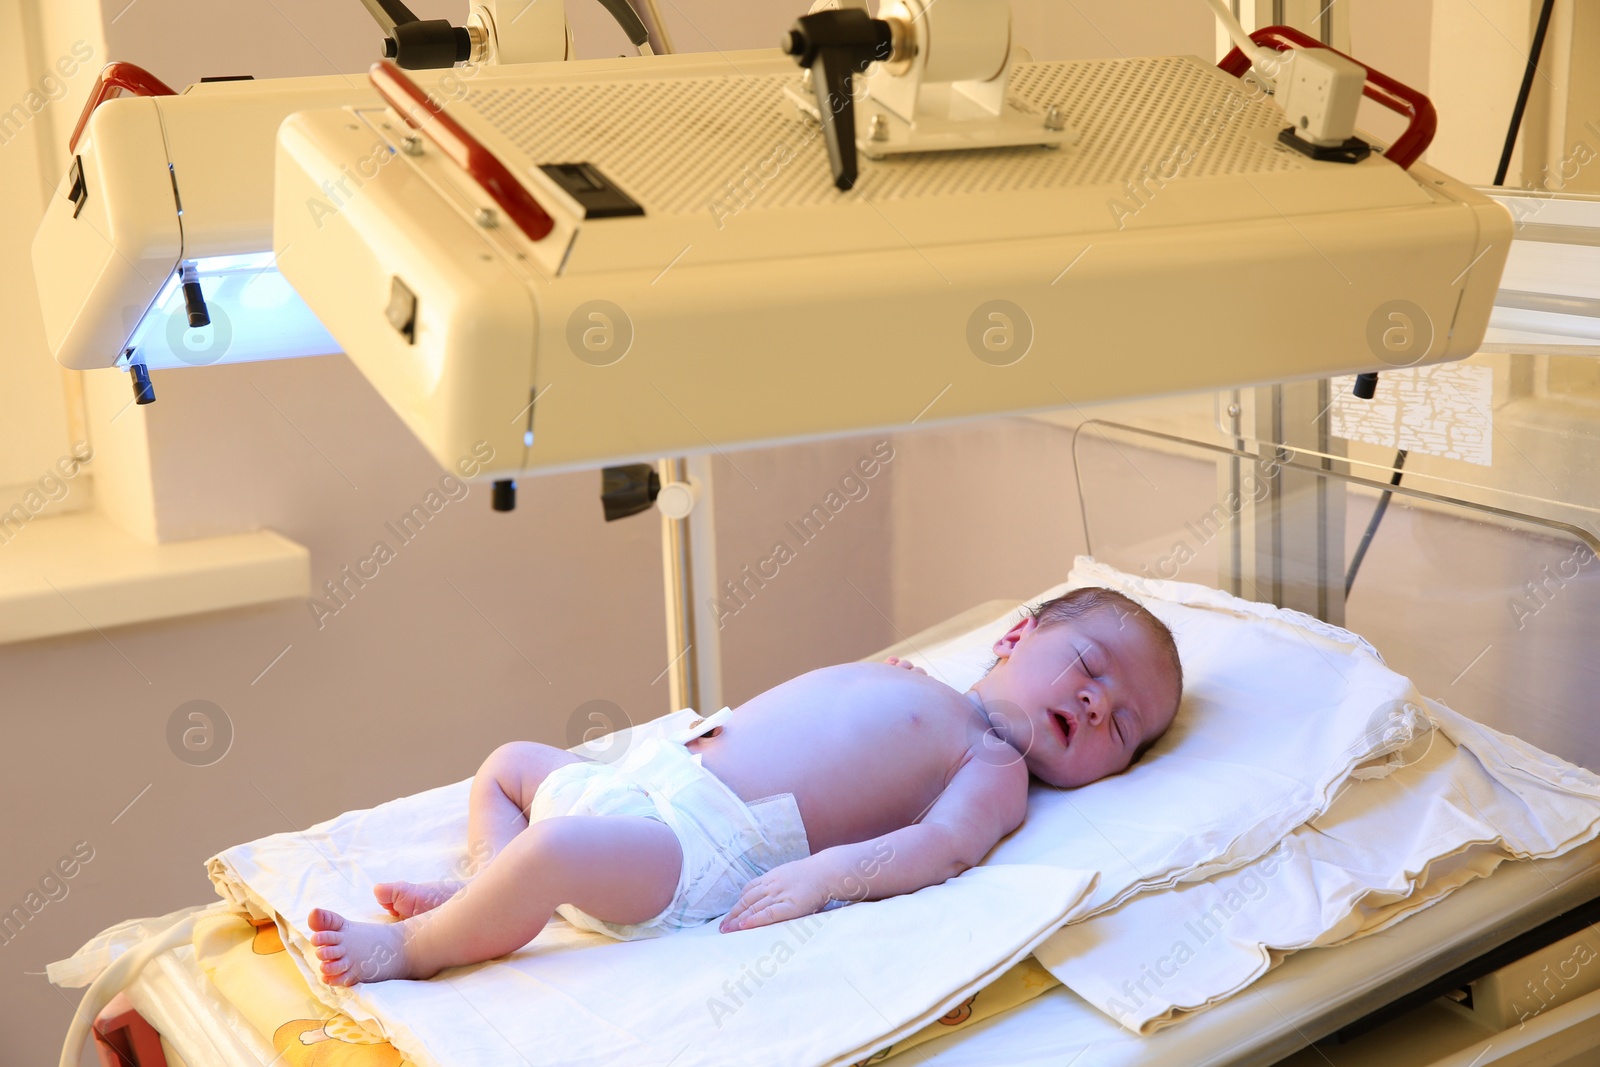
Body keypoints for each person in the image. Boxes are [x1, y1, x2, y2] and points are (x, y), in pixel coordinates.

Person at [308, 586, 1183, 985]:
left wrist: (824, 878)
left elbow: (934, 849)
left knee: (557, 848)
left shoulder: (993, 769)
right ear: (1016, 634)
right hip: (654, 781)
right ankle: (481, 887)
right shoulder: (925, 683)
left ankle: (418, 947)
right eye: (1092, 667)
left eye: (1126, 726)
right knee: (507, 764)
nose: (1098, 704)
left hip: (692, 851)